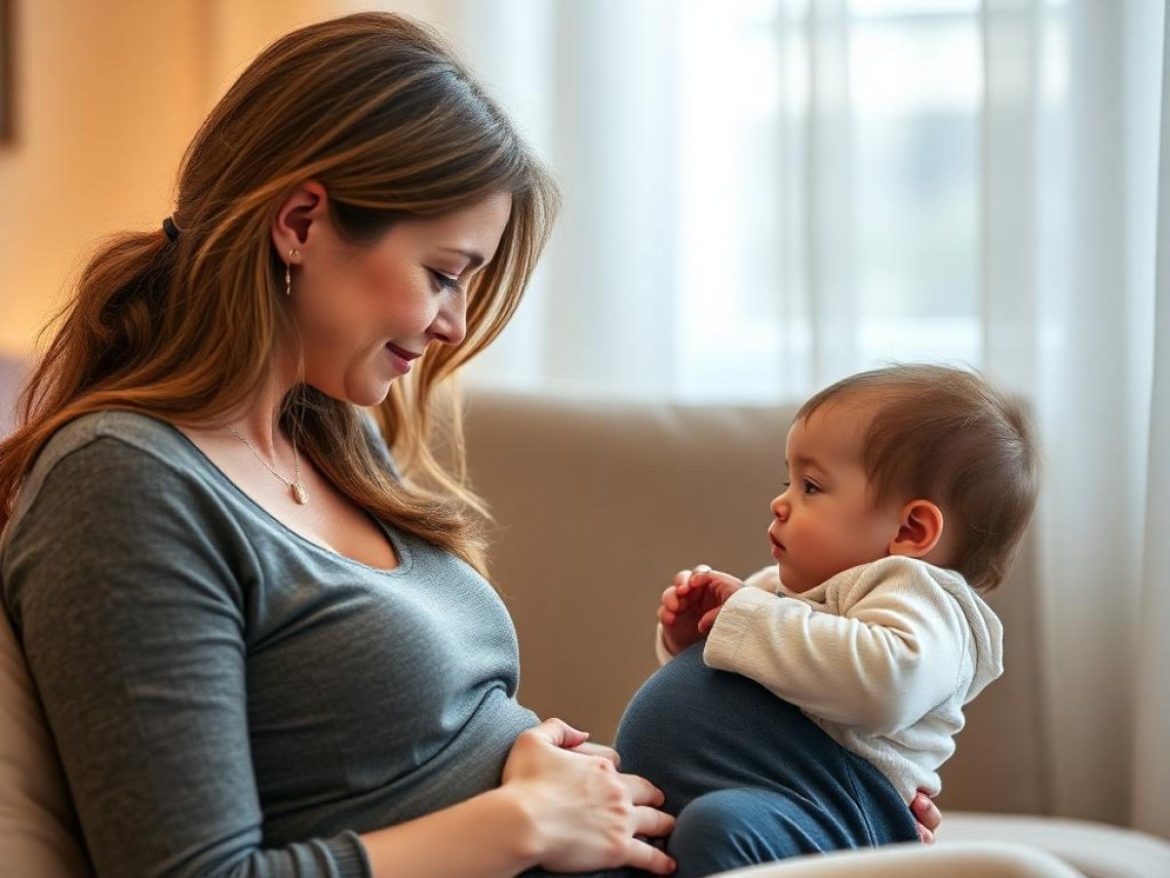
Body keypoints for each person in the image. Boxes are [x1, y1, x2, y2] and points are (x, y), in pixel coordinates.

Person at [0, 12, 939, 878]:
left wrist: (818, 786)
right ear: (299, 223)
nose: (452, 324)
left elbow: (420, 750)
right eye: (442, 275)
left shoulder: (329, 439)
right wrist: (522, 820)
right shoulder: (123, 482)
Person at [614, 364, 1039, 878]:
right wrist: (692, 639)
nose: (780, 501)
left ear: (910, 529)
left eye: (811, 486)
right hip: (763, 794)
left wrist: (744, 616)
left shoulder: (919, 595)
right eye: (787, 480)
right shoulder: (782, 590)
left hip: (833, 805)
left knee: (719, 829)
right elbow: (754, 662)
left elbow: (886, 683)